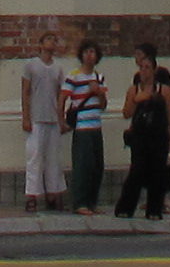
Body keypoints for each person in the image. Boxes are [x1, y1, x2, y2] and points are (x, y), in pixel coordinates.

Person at [115, 48, 170, 221]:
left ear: (154, 70)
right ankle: (126, 207)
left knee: (158, 173)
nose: (143, 71)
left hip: (158, 136)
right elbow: (126, 113)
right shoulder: (133, 90)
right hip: (140, 137)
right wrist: (137, 100)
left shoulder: (163, 90)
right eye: (141, 68)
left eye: (147, 68)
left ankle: (154, 209)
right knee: (136, 171)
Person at [60, 37, 112, 213]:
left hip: (96, 126)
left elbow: (103, 105)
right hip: (82, 127)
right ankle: (80, 202)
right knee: (83, 165)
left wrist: (98, 92)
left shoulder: (99, 77)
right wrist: (61, 121)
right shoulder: (74, 76)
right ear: (81, 55)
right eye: (87, 52)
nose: (90, 55)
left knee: (97, 166)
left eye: (93, 52)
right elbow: (62, 98)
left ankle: (92, 201)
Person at [19, 47, 64, 212]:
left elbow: (61, 94)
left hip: (52, 119)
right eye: (48, 39)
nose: (51, 43)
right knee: (34, 157)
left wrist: (61, 119)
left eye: (54, 40)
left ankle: (53, 194)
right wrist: (26, 117)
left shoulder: (58, 68)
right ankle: (32, 195)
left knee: (53, 159)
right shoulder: (31, 65)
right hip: (36, 118)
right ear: (41, 44)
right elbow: (25, 91)